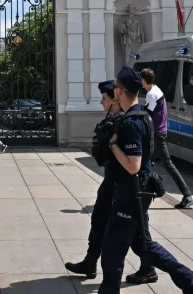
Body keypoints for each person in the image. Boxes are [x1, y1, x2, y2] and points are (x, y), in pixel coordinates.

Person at [97, 66, 193, 294]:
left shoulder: (132, 122)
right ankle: (192, 282)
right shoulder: (142, 116)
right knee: (143, 245)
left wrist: (113, 145)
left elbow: (133, 165)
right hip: (140, 191)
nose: (114, 90)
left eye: (115, 87)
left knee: (112, 250)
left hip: (131, 193)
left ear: (120, 91)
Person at [65, 80, 124, 279]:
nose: (100, 102)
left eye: (104, 98)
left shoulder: (124, 121)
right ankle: (90, 262)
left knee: (137, 233)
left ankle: (177, 274)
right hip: (111, 180)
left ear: (114, 100)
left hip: (120, 183)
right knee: (100, 219)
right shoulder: (113, 119)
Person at [141, 68, 193, 211]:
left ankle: (187, 195)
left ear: (143, 81)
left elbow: (147, 115)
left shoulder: (151, 94)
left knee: (167, 164)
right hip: (161, 132)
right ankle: (143, 191)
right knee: (146, 162)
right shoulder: (156, 90)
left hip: (157, 134)